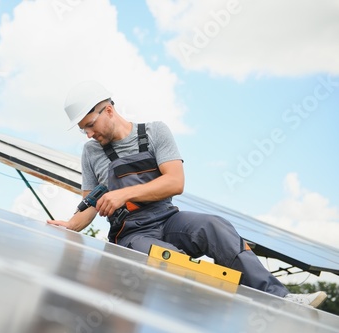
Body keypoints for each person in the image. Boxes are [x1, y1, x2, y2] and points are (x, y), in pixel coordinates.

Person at [47, 80, 327, 308]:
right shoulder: (91, 152)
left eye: (89, 125)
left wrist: (123, 194)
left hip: (168, 220)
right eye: (83, 129)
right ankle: (214, 309)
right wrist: (71, 225)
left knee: (215, 227)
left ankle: (283, 300)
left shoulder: (155, 132)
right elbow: (90, 203)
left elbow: (175, 183)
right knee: (166, 258)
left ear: (108, 110)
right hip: (132, 234)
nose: (87, 134)